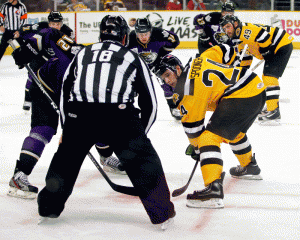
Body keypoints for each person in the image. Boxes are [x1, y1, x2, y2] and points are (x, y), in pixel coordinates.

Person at [36, 15, 175, 229]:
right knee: (145, 163)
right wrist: (140, 136)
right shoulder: (131, 56)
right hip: (119, 117)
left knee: (64, 162)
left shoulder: (83, 53)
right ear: (123, 38)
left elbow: (66, 90)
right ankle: (162, 213)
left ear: (100, 34)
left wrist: (67, 128)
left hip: (79, 116)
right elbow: (150, 103)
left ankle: (48, 208)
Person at [153, 44, 266, 208]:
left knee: (208, 138)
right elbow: (224, 49)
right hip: (256, 89)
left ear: (178, 68)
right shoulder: (200, 59)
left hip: (241, 95)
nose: (167, 81)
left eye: (168, 75)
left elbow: (194, 131)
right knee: (232, 131)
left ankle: (213, 189)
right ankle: (249, 166)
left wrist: (199, 149)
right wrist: (231, 66)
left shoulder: (188, 90)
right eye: (163, 78)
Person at [7, 19, 83, 200]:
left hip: (66, 93)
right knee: (44, 129)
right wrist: (27, 50)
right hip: (45, 85)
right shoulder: (67, 43)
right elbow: (47, 34)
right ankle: (20, 174)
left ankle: (106, 156)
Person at [220, 15, 294, 123]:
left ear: (235, 24)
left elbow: (263, 37)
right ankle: (271, 107)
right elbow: (245, 59)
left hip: (281, 44)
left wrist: (265, 52)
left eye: (228, 26)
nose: (227, 30)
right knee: (267, 77)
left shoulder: (245, 30)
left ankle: (273, 111)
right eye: (224, 28)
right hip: (275, 46)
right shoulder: (238, 39)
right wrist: (241, 74)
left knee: (269, 77)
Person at [16, 11, 74, 111]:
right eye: (52, 24)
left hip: (56, 59)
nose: (55, 26)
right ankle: (28, 99)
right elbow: (23, 30)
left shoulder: (67, 32)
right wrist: (22, 45)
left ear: (61, 23)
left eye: (57, 24)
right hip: (40, 55)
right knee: (32, 75)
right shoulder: (41, 26)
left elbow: (69, 50)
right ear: (48, 23)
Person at [128, 17, 181, 120]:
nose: (144, 37)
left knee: (167, 79)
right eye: (140, 34)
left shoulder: (158, 33)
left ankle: (173, 106)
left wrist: (161, 53)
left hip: (155, 62)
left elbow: (175, 41)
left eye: (146, 34)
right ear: (136, 33)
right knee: (132, 89)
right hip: (137, 65)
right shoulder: (130, 38)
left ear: (151, 32)